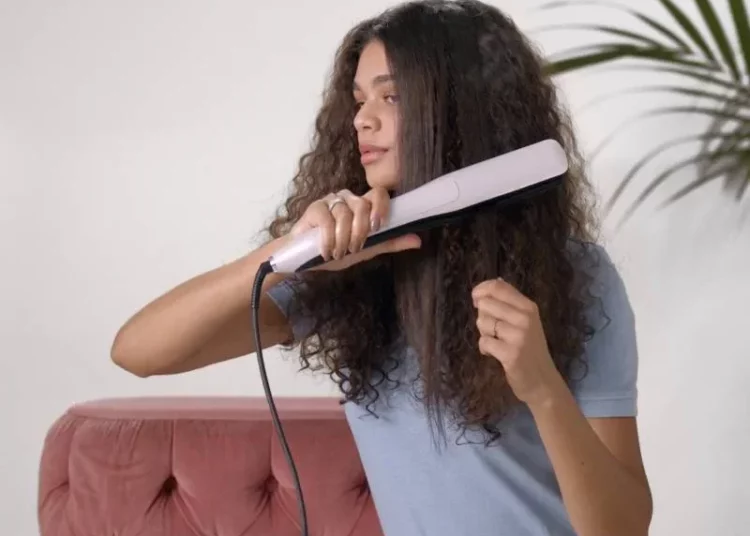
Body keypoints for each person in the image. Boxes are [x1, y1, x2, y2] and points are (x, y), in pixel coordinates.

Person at [111, 1, 653, 534]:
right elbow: (138, 351)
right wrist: (283, 255)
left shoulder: (576, 277)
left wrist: (543, 389)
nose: (361, 120)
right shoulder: (351, 272)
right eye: (358, 100)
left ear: (460, 111)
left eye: (390, 96)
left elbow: (624, 527)